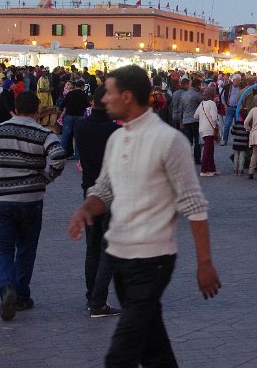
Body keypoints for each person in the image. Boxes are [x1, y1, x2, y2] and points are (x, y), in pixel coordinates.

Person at [67, 64, 221, 366]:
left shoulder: (168, 141)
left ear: (127, 96)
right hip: (118, 257)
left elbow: (195, 206)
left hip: (153, 260)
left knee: (120, 354)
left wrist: (204, 264)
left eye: (109, 93)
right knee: (153, 348)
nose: (103, 100)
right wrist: (86, 208)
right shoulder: (117, 139)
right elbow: (105, 190)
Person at [0, 91, 66, 321]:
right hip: (31, 201)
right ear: (38, 111)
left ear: (14, 108)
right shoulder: (43, 134)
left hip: (1, 201)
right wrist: (45, 178)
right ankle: (22, 295)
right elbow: (59, 157)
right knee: (26, 248)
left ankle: (6, 287)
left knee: (2, 249)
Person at [73, 85, 122, 317]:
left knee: (92, 248)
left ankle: (90, 295)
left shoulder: (82, 127)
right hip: (112, 195)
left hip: (89, 192)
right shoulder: (115, 132)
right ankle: (98, 301)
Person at [58, 80, 89, 160]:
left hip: (69, 116)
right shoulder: (84, 95)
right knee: (77, 136)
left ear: (75, 86)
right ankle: (77, 156)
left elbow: (62, 104)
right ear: (82, 86)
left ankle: (60, 154)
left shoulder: (70, 93)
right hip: (79, 117)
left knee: (65, 136)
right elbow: (87, 105)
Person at [194, 85, 220, 177]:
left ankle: (212, 169)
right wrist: (217, 124)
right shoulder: (212, 104)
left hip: (202, 128)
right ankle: (204, 170)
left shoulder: (202, 104)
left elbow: (195, 116)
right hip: (209, 128)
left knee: (210, 149)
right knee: (207, 150)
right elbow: (214, 117)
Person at [180, 77, 203, 165]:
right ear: (198, 86)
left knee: (188, 141)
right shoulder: (197, 95)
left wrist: (181, 121)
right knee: (197, 141)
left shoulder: (184, 94)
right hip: (195, 120)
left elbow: (181, 109)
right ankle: (197, 159)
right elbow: (202, 104)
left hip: (186, 120)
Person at [220, 74, 242, 145]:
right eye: (238, 81)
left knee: (238, 124)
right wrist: (225, 105)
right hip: (229, 107)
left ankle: (238, 140)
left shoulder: (241, 88)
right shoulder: (227, 87)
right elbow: (222, 96)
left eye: (239, 81)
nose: (239, 82)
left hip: (237, 108)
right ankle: (224, 139)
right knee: (227, 124)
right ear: (234, 80)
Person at [231, 108, 250, 175]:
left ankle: (235, 170)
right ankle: (240, 170)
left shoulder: (236, 123)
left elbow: (232, 132)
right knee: (242, 157)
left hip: (236, 142)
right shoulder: (247, 124)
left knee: (236, 156)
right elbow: (248, 132)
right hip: (244, 143)